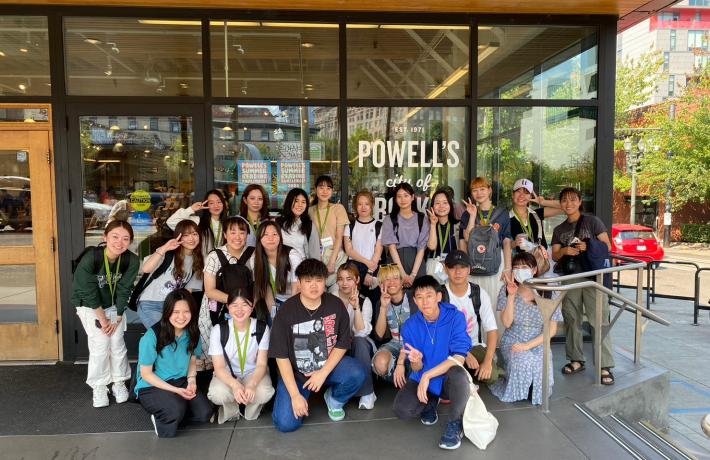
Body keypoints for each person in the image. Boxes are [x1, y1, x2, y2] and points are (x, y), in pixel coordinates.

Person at [269, 258, 366, 432]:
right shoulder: (286, 312)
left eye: (319, 280)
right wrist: (295, 395)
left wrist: (323, 373)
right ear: (299, 283)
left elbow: (342, 343)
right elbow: (281, 356)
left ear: (325, 282)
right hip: (297, 374)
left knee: (357, 372)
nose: (314, 286)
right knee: (286, 423)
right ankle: (292, 397)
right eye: (308, 281)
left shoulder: (335, 305)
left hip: (327, 368)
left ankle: (334, 399)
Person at [393, 275, 471, 450]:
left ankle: (455, 423)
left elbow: (459, 358)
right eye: (419, 297)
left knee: (458, 374)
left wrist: (428, 375)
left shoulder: (455, 317)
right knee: (402, 410)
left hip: (447, 379)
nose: (425, 302)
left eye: (429, 296)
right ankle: (429, 403)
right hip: (423, 378)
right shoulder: (410, 326)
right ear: (414, 300)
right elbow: (416, 368)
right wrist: (416, 362)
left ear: (438, 296)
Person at [72, 220, 140, 408]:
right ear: (105, 237)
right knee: (101, 344)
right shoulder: (91, 258)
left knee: (117, 342)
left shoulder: (131, 260)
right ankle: (100, 385)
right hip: (89, 305)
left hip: (113, 306)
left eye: (125, 239)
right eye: (115, 237)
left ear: (130, 241)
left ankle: (119, 381)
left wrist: (118, 316)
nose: (120, 242)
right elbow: (89, 293)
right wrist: (103, 319)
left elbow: (125, 289)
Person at [551, 187, 615, 385]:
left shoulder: (592, 221)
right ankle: (576, 359)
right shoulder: (559, 229)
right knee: (572, 319)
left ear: (579, 202)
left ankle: (604, 365)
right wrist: (565, 251)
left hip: (593, 276)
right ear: (561, 204)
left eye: (573, 200)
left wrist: (589, 246)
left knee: (599, 319)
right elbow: (554, 255)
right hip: (570, 277)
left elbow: (608, 246)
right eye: (564, 200)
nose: (568, 204)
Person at [135, 289, 212, 438]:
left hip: (180, 381)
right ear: (167, 312)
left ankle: (176, 411)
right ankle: (165, 415)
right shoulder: (152, 336)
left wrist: (192, 382)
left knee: (204, 413)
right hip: (152, 385)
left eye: (186, 312)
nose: (181, 317)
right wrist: (175, 391)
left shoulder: (192, 332)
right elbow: (146, 374)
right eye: (176, 312)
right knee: (173, 411)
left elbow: (192, 360)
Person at [489, 252, 563, 405]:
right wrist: (511, 295)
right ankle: (519, 381)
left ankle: (531, 386)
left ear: (534, 269)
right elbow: (507, 323)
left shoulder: (548, 291)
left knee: (540, 369)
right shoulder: (506, 290)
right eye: (516, 267)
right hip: (513, 340)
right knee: (524, 360)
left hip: (538, 341)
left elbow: (552, 329)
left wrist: (527, 346)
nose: (520, 270)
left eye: (524, 267)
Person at [207, 288, 275, 423]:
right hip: (228, 375)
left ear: (252, 307)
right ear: (228, 307)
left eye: (244, 305)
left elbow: (262, 364)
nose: (239, 310)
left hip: (253, 373)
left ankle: (249, 410)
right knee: (217, 393)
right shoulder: (219, 330)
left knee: (265, 392)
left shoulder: (262, 328)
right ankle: (232, 411)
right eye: (234, 305)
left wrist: (252, 384)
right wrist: (235, 385)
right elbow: (219, 367)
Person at [199, 216, 255, 370]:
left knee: (241, 349)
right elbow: (210, 290)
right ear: (225, 235)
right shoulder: (214, 256)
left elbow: (259, 286)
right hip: (217, 308)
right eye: (232, 232)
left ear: (247, 235)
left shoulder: (254, 255)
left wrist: (246, 305)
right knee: (215, 352)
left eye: (242, 232)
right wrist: (236, 303)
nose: (237, 237)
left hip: (246, 309)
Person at [441, 250, 501, 384]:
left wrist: (487, 362)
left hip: (474, 345)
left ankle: (470, 373)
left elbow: (492, 330)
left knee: (491, 376)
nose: (458, 272)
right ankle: (464, 375)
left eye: (462, 267)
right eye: (452, 267)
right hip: (448, 347)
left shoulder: (478, 293)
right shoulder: (441, 295)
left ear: (469, 269)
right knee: (447, 377)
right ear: (445, 269)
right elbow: (439, 332)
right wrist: (464, 353)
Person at [137, 220, 204, 329]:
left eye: (194, 234)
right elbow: (146, 269)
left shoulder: (198, 261)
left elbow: (187, 293)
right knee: (162, 335)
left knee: (173, 338)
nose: (191, 239)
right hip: (150, 303)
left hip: (173, 307)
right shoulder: (167, 253)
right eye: (186, 235)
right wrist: (164, 248)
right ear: (179, 237)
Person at [460, 177, 513, 306]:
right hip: (474, 263)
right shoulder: (468, 213)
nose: (479, 193)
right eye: (475, 190)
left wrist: (507, 268)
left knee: (494, 302)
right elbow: (466, 239)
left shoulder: (502, 213)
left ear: (490, 190)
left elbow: (506, 241)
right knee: (474, 304)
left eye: (482, 189)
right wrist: (472, 216)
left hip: (495, 263)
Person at [335, 261, 377, 409]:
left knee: (359, 340)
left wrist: (356, 308)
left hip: (359, 346)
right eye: (340, 279)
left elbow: (361, 332)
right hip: (337, 345)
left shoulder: (365, 301)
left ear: (357, 280)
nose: (344, 283)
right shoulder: (330, 298)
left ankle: (367, 392)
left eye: (349, 279)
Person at [371, 264, 417, 382]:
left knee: (416, 362)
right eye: (386, 279)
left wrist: (401, 361)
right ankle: (402, 381)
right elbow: (379, 336)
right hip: (395, 344)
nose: (391, 282)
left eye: (395, 278)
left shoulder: (413, 298)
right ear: (381, 284)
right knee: (380, 362)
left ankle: (411, 381)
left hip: (415, 344)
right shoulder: (379, 303)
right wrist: (383, 307)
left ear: (402, 281)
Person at [381, 183, 430, 288]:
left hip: (416, 262)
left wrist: (413, 275)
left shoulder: (422, 219)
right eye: (399, 196)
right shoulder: (389, 219)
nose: (402, 199)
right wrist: (402, 274)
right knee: (393, 296)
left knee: (418, 296)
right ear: (395, 199)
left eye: (406, 195)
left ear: (412, 197)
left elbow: (422, 248)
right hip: (395, 262)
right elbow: (392, 248)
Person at [252, 221, 302, 322]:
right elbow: (267, 290)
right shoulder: (256, 259)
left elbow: (296, 287)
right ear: (259, 238)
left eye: (275, 234)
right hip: (276, 299)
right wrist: (274, 315)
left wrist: (291, 311)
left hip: (296, 298)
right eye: (266, 235)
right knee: (274, 326)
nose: (271, 238)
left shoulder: (292, 255)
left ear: (280, 237)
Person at [308, 175, 349, 287]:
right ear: (315, 189)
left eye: (328, 188)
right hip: (317, 256)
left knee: (335, 292)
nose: (325, 191)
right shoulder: (310, 211)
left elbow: (339, 237)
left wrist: (332, 262)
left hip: (335, 257)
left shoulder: (338, 208)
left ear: (332, 191)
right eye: (321, 187)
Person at [344, 190, 383, 300]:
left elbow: (378, 251)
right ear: (356, 206)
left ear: (372, 206)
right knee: (354, 301)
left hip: (373, 268)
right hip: (354, 268)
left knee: (374, 302)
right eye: (360, 204)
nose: (363, 207)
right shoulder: (350, 226)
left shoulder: (379, 226)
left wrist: (370, 272)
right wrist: (367, 262)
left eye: (366, 204)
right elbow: (349, 250)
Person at [166, 189, 229, 257]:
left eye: (219, 202)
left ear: (223, 204)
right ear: (206, 205)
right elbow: (171, 222)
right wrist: (191, 209)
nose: (216, 206)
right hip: (201, 265)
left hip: (221, 264)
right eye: (211, 203)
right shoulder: (197, 221)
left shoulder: (228, 224)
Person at [509, 178, 562, 260]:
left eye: (526, 192)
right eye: (518, 191)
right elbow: (502, 244)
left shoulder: (536, 214)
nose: (521, 195)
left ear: (530, 196)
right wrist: (514, 243)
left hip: (543, 263)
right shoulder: (506, 218)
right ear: (512, 194)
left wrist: (543, 202)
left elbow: (565, 207)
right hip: (522, 266)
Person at [426, 188, 459, 283]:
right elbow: (431, 247)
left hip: (454, 266)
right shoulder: (428, 226)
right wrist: (432, 224)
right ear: (432, 206)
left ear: (450, 205)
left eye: (445, 203)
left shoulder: (458, 226)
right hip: (433, 265)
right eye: (437, 203)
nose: (441, 206)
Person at [277, 188, 320, 260]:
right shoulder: (278, 223)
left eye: (303, 202)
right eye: (296, 201)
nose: (300, 205)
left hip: (302, 268)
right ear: (289, 202)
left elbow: (315, 254)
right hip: (282, 266)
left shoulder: (309, 225)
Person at [240, 183, 271, 247]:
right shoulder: (238, 221)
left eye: (260, 199)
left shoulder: (268, 222)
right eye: (252, 198)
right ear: (245, 200)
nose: (256, 202)